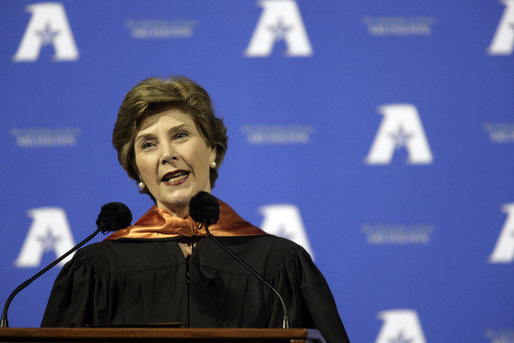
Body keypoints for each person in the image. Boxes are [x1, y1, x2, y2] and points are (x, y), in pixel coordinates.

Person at [41, 76, 350, 343]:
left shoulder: (278, 265)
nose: (167, 154)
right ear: (137, 171)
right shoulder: (97, 269)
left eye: (180, 135)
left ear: (212, 149)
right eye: (148, 144)